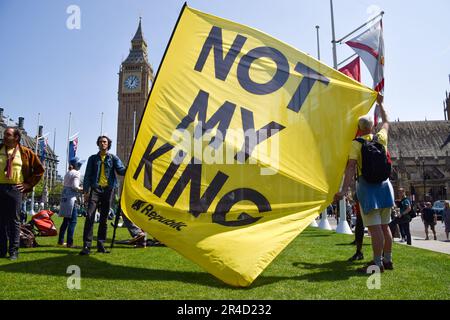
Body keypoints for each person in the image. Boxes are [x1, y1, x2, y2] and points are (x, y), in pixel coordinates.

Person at [334, 94, 394, 273]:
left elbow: (351, 167)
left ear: (358, 129)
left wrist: (344, 190)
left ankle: (377, 263)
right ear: (372, 126)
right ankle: (388, 260)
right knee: (385, 227)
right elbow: (386, 121)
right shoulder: (381, 138)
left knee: (375, 229)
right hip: (385, 186)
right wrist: (381, 104)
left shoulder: (356, 144)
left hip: (367, 187)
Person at [0, 127, 44, 260]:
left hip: (15, 189)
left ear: (16, 138)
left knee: (14, 220)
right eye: (4, 134)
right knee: (0, 221)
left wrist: (28, 184)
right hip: (0, 187)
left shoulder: (26, 152)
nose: (5, 137)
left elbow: (39, 170)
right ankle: (1, 250)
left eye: (8, 135)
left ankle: (14, 251)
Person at [80, 136, 126, 255]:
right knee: (90, 216)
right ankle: (86, 246)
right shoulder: (93, 159)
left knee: (104, 219)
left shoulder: (113, 158)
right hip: (95, 189)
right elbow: (88, 175)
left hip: (108, 190)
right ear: (98, 144)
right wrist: (86, 191)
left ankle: (101, 245)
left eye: (104, 142)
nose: (102, 144)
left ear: (108, 144)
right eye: (100, 142)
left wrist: (132, 166)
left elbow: (121, 170)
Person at [58, 157, 84, 248]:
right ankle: (70, 243)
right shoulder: (76, 173)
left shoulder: (67, 173)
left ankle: (60, 241)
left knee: (66, 221)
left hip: (65, 198)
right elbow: (75, 186)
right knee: (73, 221)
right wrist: (83, 189)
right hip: (71, 199)